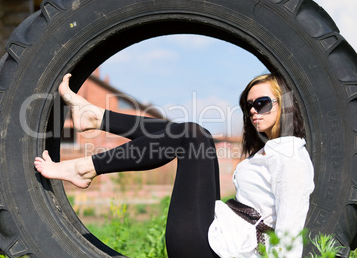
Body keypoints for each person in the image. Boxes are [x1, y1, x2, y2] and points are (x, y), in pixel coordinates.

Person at [34, 73, 314, 257]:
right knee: (192, 135)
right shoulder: (269, 152)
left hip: (215, 249)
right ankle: (95, 118)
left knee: (192, 136)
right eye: (248, 104)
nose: (253, 110)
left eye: (263, 103)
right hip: (214, 236)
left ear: (285, 106)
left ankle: (85, 164)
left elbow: (290, 235)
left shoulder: (291, 158)